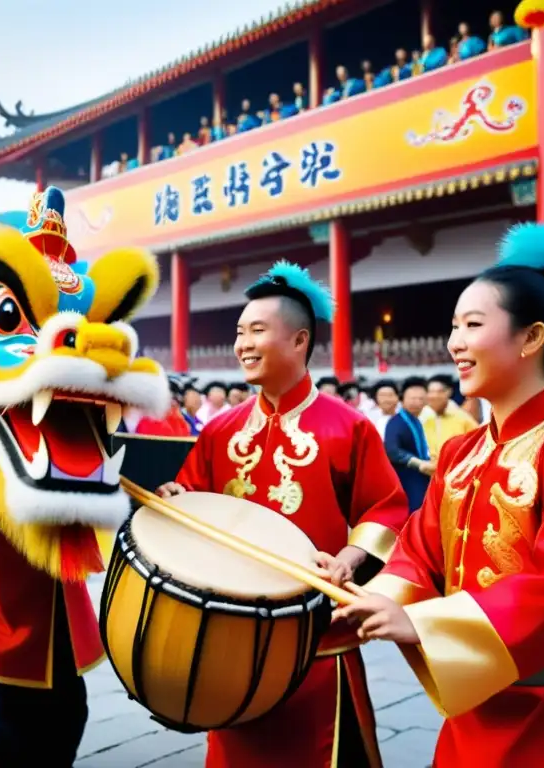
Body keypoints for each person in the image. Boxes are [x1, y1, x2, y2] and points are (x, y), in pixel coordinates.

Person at [334, 211, 544, 766]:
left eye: (473, 325)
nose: (455, 342)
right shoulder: (461, 451)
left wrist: (422, 622)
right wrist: (372, 599)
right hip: (477, 701)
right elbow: (420, 551)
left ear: (532, 337)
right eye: (455, 325)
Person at [158, 261, 410, 768]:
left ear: (298, 341)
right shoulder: (218, 431)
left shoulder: (350, 427)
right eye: (238, 332)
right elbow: (193, 500)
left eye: (256, 331)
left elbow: (387, 508)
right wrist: (173, 498)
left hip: (319, 640)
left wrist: (349, 556)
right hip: (232, 637)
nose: (243, 344)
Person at [384, 376, 434, 511]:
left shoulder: (417, 420)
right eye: (412, 398)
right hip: (405, 478)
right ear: (402, 399)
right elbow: (392, 451)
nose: (416, 402)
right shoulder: (396, 422)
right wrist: (418, 463)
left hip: (421, 476)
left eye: (420, 399)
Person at [421, 373, 478, 456]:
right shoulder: (423, 417)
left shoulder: (462, 418)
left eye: (439, 391)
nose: (434, 396)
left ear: (449, 392)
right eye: (431, 391)